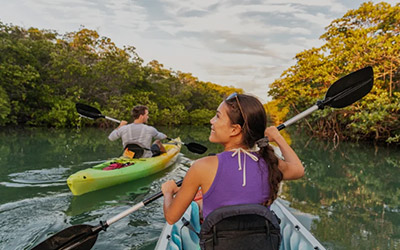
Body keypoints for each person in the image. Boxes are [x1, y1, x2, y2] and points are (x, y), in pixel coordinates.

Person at [161, 93, 304, 224]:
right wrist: (278, 138)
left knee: (199, 206)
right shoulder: (270, 162)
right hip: (260, 243)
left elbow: (172, 218)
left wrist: (168, 192)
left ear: (234, 129)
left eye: (217, 116)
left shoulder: (202, 166)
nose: (211, 121)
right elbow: (298, 170)